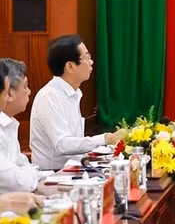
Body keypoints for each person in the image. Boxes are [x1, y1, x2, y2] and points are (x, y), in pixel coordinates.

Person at [29, 35, 124, 170]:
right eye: (87, 57)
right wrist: (105, 138)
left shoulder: (74, 93)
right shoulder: (50, 96)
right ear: (70, 66)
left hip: (74, 169)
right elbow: (62, 144)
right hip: (53, 175)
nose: (91, 62)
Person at [0, 59, 44, 192]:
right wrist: (28, 174)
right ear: (9, 93)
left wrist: (27, 173)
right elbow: (17, 181)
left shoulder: (8, 123)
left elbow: (23, 164)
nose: (29, 91)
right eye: (25, 86)